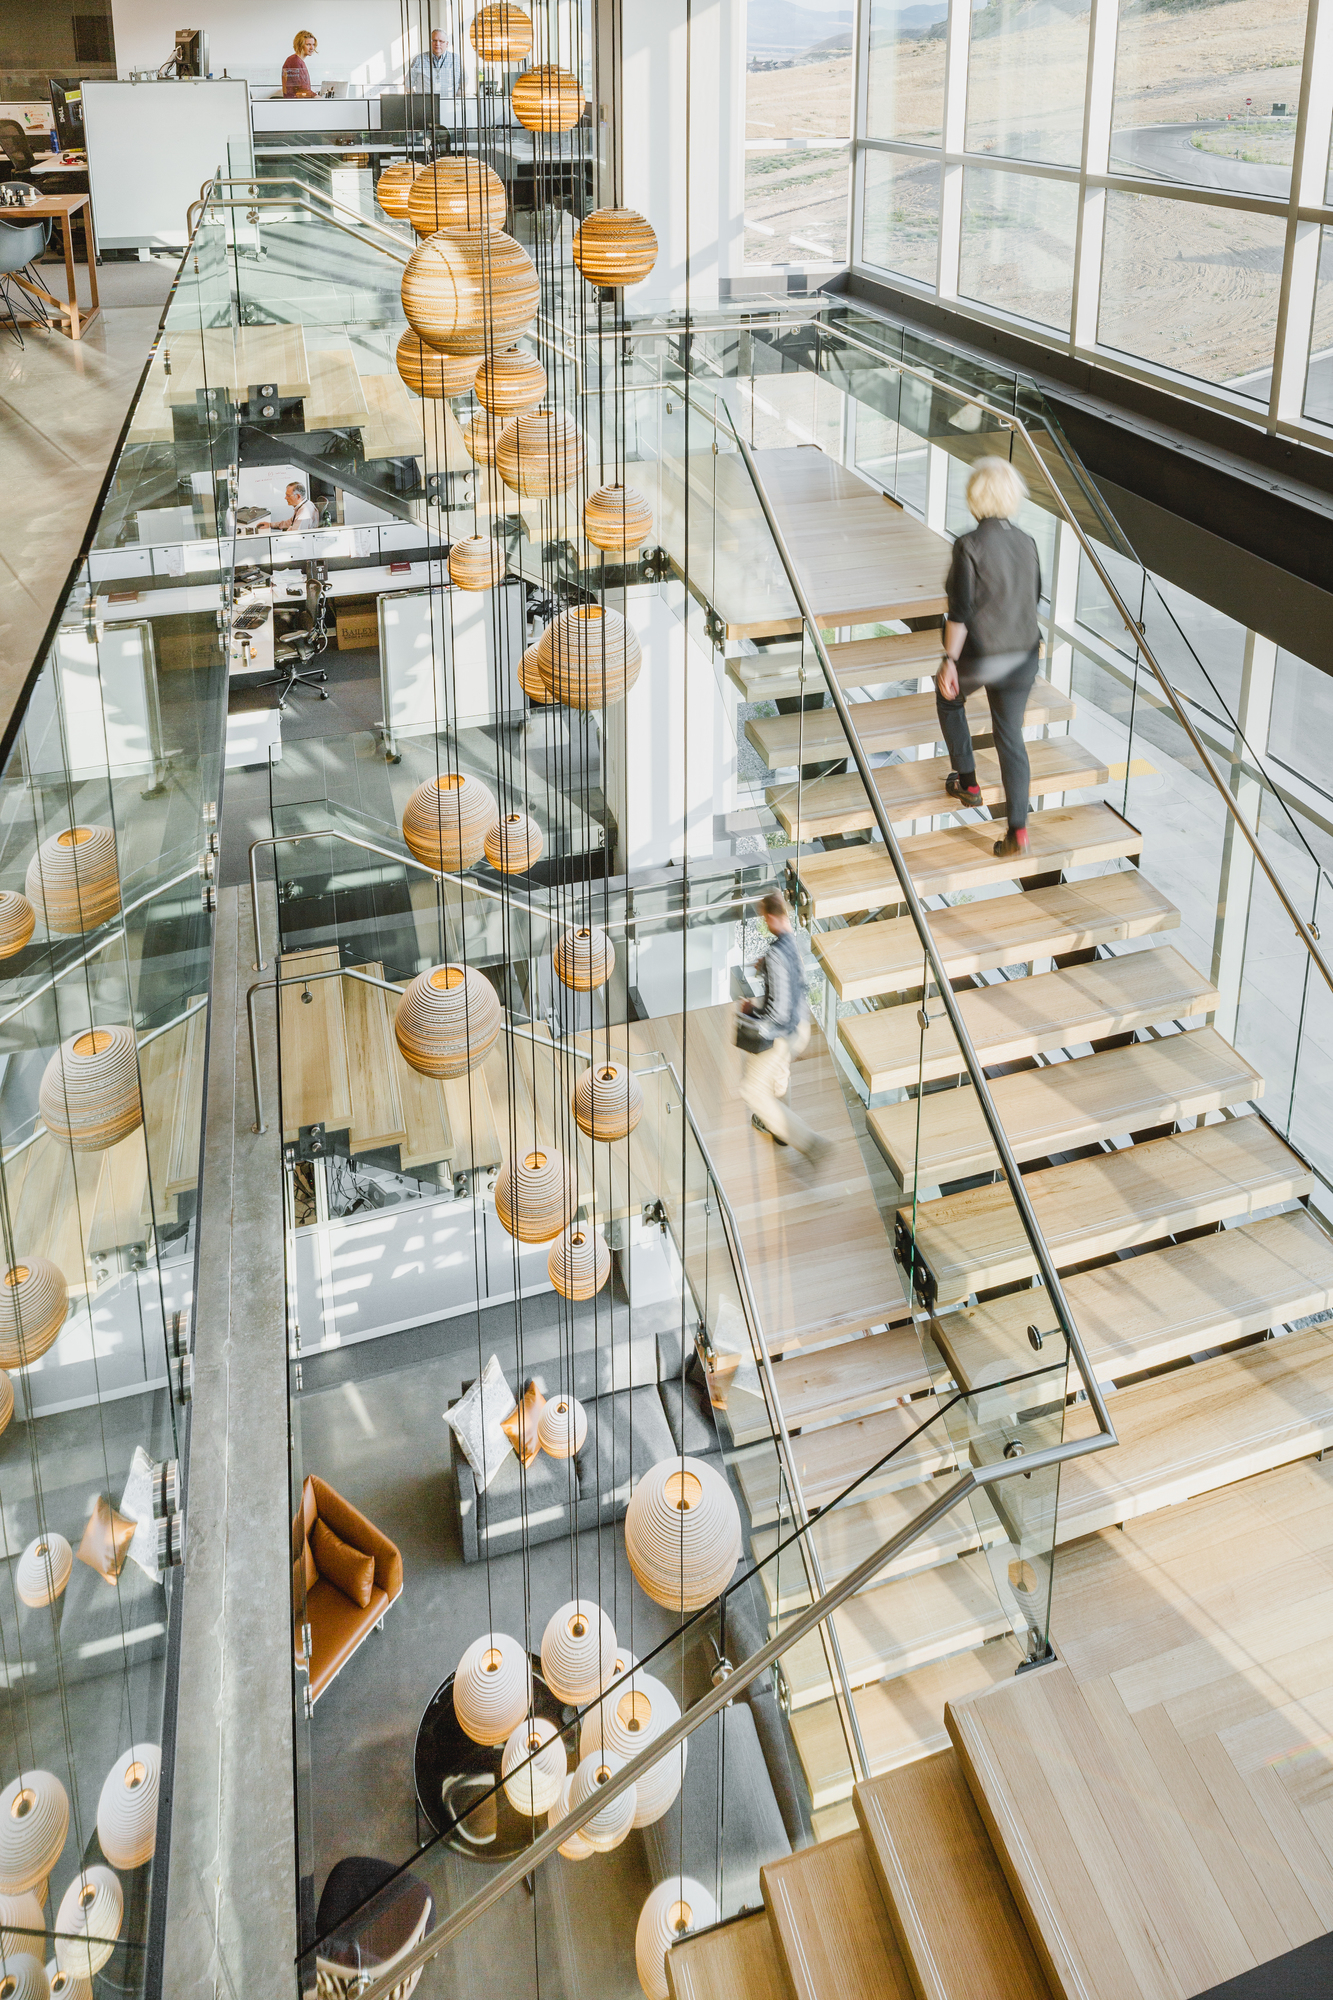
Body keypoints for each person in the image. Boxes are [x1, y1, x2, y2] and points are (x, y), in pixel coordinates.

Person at [935, 456, 1043, 861]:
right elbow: (1032, 599)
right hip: (1025, 655)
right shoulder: (1028, 543)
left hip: (987, 655)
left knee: (948, 695)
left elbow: (959, 612)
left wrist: (950, 661)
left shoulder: (969, 545)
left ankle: (968, 782)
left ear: (975, 496)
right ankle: (1018, 828)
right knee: (1010, 736)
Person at [738, 891, 832, 1172]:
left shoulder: (776, 954)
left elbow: (776, 1014)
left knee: (752, 1090)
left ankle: (807, 1141)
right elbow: (795, 984)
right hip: (800, 1028)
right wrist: (766, 967)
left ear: (769, 916)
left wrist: (752, 1016)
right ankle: (781, 1134)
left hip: (781, 1032)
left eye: (763, 917)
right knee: (778, 1077)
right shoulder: (793, 944)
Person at [407, 26, 460, 99]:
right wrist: (416, 100)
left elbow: (464, 82)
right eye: (434, 40)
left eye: (441, 41)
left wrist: (457, 99)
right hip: (425, 104)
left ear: (447, 44)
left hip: (448, 103)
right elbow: (407, 84)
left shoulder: (456, 59)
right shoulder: (419, 59)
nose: (437, 44)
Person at [283, 31, 319, 98]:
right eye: (308, 44)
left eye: (313, 44)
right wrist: (319, 98)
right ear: (300, 45)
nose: (312, 48)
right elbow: (303, 89)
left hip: (298, 102)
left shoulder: (297, 60)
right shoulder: (295, 61)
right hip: (296, 104)